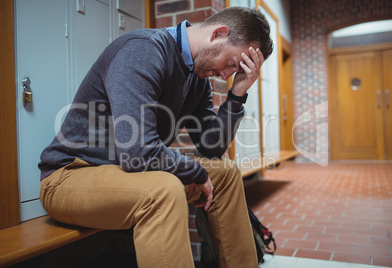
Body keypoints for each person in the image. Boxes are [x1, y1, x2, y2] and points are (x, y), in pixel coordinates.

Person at [38, 6, 273, 268]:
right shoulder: (143, 50)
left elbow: (212, 147)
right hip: (69, 176)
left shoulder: (197, 79)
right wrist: (194, 172)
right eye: (232, 65)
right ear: (218, 34)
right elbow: (138, 152)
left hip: (124, 172)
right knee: (164, 189)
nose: (227, 76)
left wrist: (238, 93)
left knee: (225, 173)